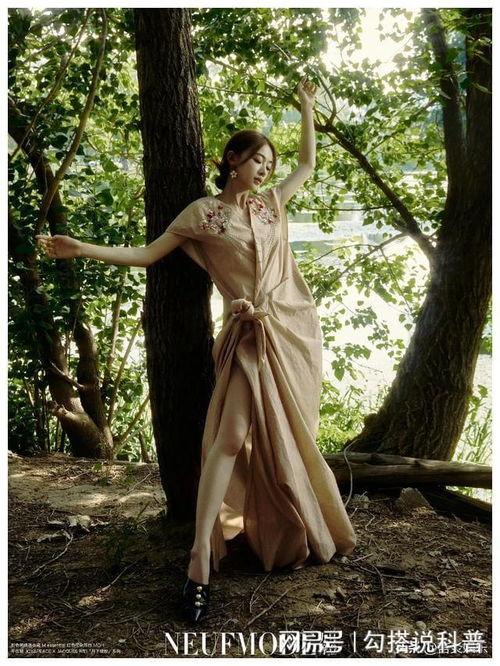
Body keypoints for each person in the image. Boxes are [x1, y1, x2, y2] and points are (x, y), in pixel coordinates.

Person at [36, 77, 357, 624]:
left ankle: (278, 524)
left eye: (269, 164)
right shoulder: (203, 214)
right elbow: (147, 254)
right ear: (232, 160)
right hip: (246, 334)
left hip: (292, 331)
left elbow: (307, 163)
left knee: (282, 432)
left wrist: (306, 107)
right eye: (257, 160)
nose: (265, 170)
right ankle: (200, 556)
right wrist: (80, 248)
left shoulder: (271, 206)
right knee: (229, 438)